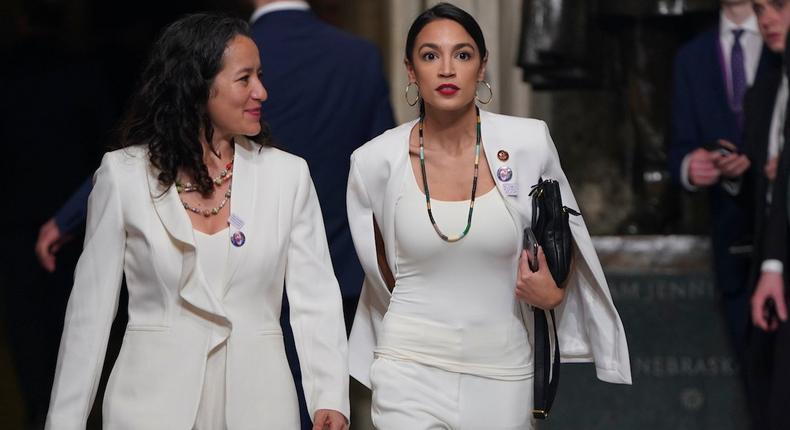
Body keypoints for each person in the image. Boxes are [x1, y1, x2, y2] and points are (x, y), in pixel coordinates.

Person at [44, 13, 348, 430]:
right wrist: (65, 421)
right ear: (198, 86)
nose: (262, 90)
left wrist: (328, 396)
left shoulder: (287, 176)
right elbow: (89, 316)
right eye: (245, 78)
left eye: (260, 75)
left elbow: (315, 297)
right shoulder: (124, 175)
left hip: (259, 407)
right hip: (149, 406)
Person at [346, 4, 631, 429]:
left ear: (482, 67)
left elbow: (563, 231)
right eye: (429, 56)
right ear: (410, 70)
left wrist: (554, 292)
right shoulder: (374, 161)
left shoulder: (527, 142)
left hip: (502, 365)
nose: (446, 69)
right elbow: (380, 270)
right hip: (408, 363)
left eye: (462, 55)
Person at [668, 0, 774, 358]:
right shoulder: (691, 57)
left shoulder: (779, 44)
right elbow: (679, 147)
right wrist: (691, 166)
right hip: (727, 234)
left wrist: (762, 160)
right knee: (749, 373)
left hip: (778, 224)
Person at [750, 2, 790, 427]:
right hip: (769, 264)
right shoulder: (766, 90)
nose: (767, 19)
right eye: (759, 8)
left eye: (778, 6)